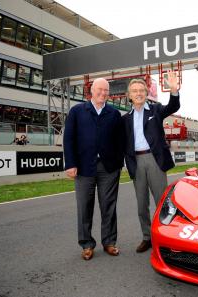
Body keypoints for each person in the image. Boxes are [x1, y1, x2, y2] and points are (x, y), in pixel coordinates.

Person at [63, 78, 125, 260]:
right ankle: (87, 244)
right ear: (91, 90)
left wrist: (118, 163)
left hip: (109, 168)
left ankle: (110, 242)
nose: (103, 93)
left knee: (109, 206)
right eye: (100, 89)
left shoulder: (114, 114)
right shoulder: (77, 111)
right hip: (83, 167)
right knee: (84, 207)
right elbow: (69, 139)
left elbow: (120, 141)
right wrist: (70, 164)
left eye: (106, 90)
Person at [123, 70, 180, 253]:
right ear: (129, 95)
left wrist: (173, 91)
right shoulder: (125, 119)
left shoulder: (156, 110)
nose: (138, 93)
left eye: (141, 90)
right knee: (141, 204)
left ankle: (166, 237)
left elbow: (173, 107)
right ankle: (147, 237)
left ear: (146, 93)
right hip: (136, 162)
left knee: (162, 202)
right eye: (134, 91)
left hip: (154, 160)